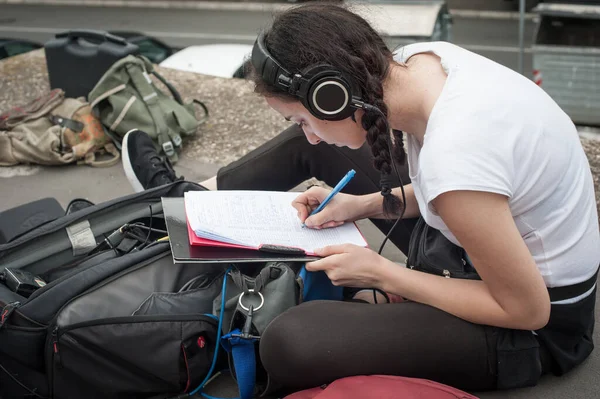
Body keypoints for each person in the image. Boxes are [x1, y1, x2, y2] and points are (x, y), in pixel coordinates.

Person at [122, 3, 600, 393]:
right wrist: (365, 204)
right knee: (327, 150)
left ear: (332, 95)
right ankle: (188, 201)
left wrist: (383, 273)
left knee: (292, 342)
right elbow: (476, 194)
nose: (307, 135)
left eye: (304, 119)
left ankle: (369, 296)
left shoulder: (457, 155)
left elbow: (526, 310)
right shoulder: (424, 64)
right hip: (479, 248)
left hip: (534, 327)